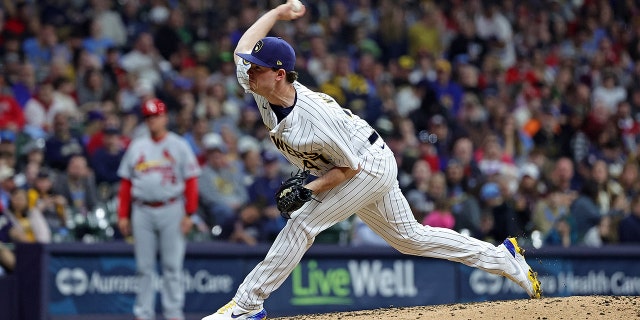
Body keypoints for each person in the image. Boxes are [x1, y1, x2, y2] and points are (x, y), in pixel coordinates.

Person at [202, 3, 541, 320]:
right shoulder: (259, 83)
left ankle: (247, 305)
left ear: (279, 74)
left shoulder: (314, 117)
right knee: (410, 238)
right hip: (353, 159)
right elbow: (241, 48)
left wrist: (309, 190)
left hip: (366, 164)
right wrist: (278, 11)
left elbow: (350, 169)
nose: (248, 71)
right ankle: (504, 259)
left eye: (257, 67)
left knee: (303, 223)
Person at [116, 98, 201, 320]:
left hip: (172, 208)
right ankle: (143, 314)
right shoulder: (137, 146)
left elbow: (191, 180)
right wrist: (123, 215)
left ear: (165, 117)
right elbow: (126, 184)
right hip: (142, 210)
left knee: (172, 266)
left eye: (156, 116)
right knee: (144, 267)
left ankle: (173, 313)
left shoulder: (178, 144)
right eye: (148, 117)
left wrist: (190, 213)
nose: (152, 120)